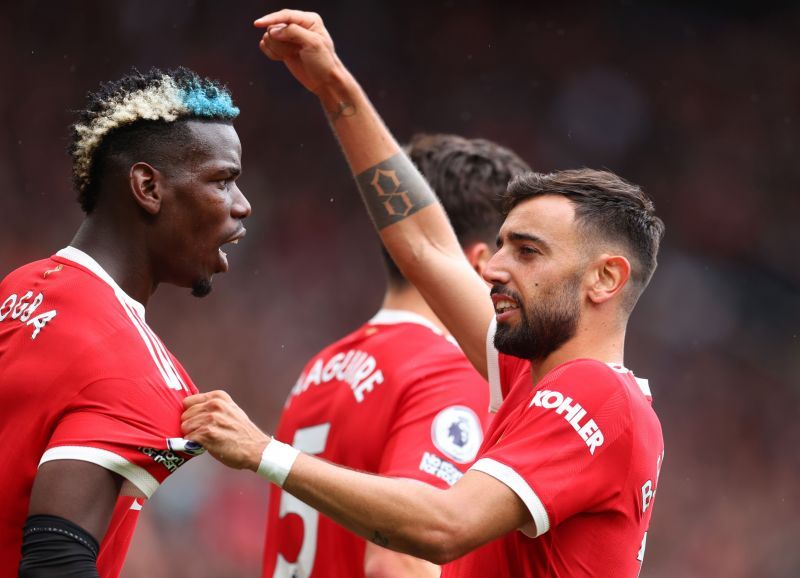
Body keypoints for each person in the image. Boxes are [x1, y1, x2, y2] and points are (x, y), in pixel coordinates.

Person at [181, 9, 666, 577]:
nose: (495, 269)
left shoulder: (596, 393)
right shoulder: (527, 381)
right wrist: (334, 84)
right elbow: (424, 244)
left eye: (528, 252)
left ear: (605, 278)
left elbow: (445, 527)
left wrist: (264, 453)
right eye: (500, 246)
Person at [0, 67, 251, 577]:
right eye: (223, 182)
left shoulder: (16, 289)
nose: (242, 207)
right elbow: (55, 565)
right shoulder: (136, 371)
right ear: (147, 187)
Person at [263, 133, 530, 578]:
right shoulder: (447, 371)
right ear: (483, 262)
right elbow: (400, 563)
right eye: (519, 253)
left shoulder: (321, 369)